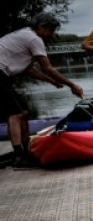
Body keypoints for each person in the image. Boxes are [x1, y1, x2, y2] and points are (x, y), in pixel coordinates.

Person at [0, 13, 84, 168]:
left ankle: (26, 150)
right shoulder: (34, 39)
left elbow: (29, 69)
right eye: (50, 30)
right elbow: (48, 67)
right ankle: (19, 157)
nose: (51, 35)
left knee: (24, 111)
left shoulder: (25, 35)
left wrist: (52, 82)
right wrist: (72, 85)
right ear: (41, 27)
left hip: (3, 74)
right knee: (15, 114)